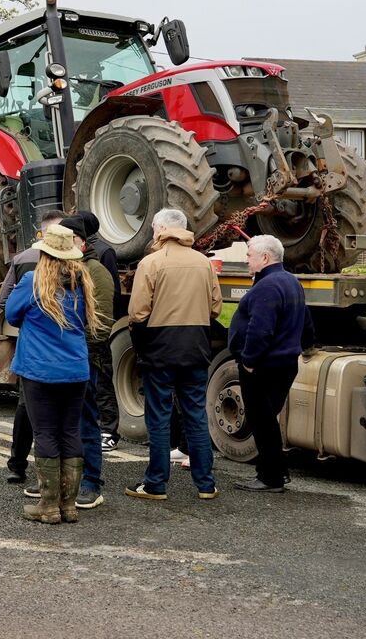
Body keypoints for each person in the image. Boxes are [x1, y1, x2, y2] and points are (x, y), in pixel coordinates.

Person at [5, 224, 101, 524]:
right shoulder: (82, 280)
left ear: (44, 252)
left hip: (39, 369)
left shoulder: (34, 281)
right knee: (70, 431)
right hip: (75, 369)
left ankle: (48, 506)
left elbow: (11, 315)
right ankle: (69, 505)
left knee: (46, 433)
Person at [125, 208, 223, 502]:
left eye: (154, 226)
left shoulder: (151, 262)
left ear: (162, 229)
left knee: (159, 417)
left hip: (160, 348)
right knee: (195, 414)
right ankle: (206, 484)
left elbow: (137, 312)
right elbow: (215, 307)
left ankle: (156, 483)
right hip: (195, 346)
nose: (153, 231)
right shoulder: (203, 263)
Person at [228, 234, 308, 493]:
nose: (246, 260)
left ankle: (270, 476)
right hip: (284, 363)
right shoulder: (291, 282)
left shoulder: (267, 286)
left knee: (261, 421)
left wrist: (249, 361)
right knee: (267, 419)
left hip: (263, 366)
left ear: (265, 257)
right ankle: (277, 471)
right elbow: (306, 320)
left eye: (249, 255)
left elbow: (260, 330)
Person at [0, 210, 68, 485]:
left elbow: (4, 301)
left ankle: (17, 465)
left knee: (27, 408)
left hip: (33, 346)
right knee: (64, 413)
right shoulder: (75, 263)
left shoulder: (23, 259)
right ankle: (59, 477)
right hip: (66, 348)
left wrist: (28, 320)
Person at [58, 216, 115, 510]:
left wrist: (79, 351)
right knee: (59, 424)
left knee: (86, 423)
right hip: (60, 361)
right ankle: (61, 481)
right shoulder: (60, 271)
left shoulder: (96, 272)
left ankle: (92, 483)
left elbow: (102, 324)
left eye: (67, 241)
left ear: (80, 242)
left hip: (85, 361)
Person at [76, 210, 125, 451]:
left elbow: (110, 290)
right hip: (93, 323)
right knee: (98, 379)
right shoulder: (99, 249)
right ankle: (103, 428)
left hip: (96, 324)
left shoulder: (102, 252)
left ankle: (108, 429)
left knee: (102, 377)